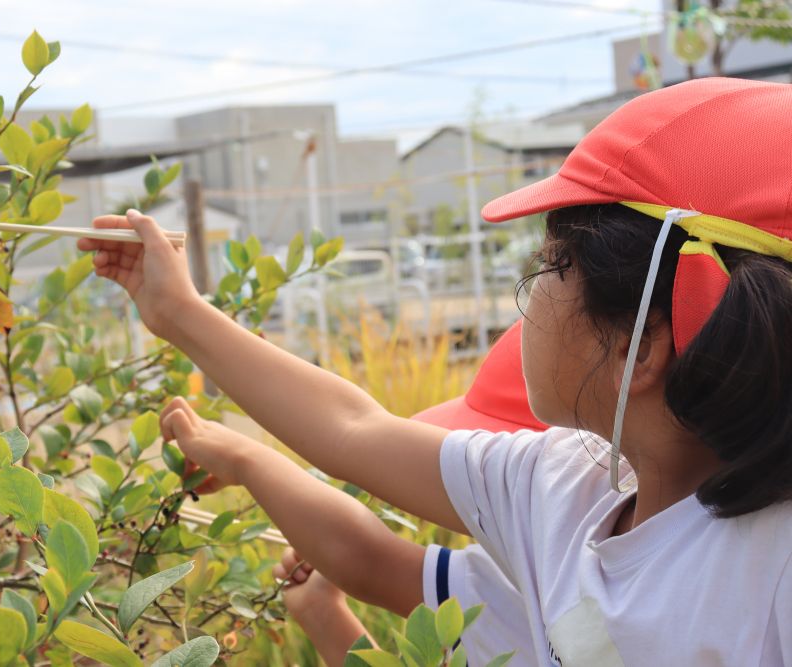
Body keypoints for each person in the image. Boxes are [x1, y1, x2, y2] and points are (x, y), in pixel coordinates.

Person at [79, 77, 792, 665]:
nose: (533, 291)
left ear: (639, 346)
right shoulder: (560, 491)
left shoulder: (771, 568)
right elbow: (353, 428)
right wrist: (178, 312)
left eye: (552, 263)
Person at [271, 320, 546, 667]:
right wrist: (321, 612)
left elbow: (365, 561)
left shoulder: (527, 594)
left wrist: (243, 460)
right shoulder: (532, 576)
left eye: (490, 477)